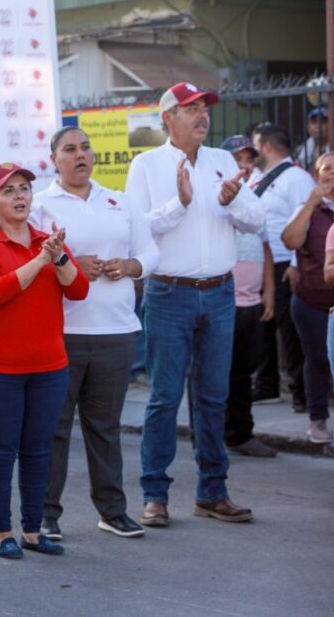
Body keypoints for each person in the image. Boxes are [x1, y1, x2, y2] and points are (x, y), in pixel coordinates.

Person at [125, 82, 264, 527]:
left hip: (220, 293)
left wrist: (234, 199)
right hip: (169, 293)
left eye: (204, 108)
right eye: (191, 109)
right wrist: (180, 203)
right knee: (165, 398)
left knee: (213, 398)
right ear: (169, 117)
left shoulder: (224, 161)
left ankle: (212, 492)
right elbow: (137, 231)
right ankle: (155, 495)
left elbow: (257, 221)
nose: (202, 115)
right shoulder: (146, 165)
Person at [30, 127, 159, 541]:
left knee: (104, 427)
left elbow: (150, 252)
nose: (80, 155)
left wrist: (131, 266)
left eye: (86, 148)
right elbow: (28, 261)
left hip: (116, 332)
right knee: (54, 427)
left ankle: (113, 511)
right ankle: (45, 514)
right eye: (70, 150)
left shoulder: (120, 201)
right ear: (54, 160)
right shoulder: (40, 206)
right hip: (61, 333)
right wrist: (65, 265)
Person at [0, 162, 89, 559]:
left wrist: (59, 258)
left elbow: (80, 291)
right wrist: (40, 261)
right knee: (2, 451)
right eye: (8, 191)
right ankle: (3, 531)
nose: (20, 196)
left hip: (49, 367)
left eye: (24, 189)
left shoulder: (47, 241)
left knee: (38, 450)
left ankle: (33, 530)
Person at [219, 136, 278, 457]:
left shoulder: (254, 199)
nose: (245, 166)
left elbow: (265, 248)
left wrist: (268, 293)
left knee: (243, 372)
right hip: (222, 302)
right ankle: (210, 438)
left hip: (251, 304)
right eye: (237, 160)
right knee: (214, 375)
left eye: (249, 160)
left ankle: (240, 434)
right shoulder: (214, 197)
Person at [248, 124, 313, 412]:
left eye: (254, 145)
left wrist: (297, 264)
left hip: (286, 263)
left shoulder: (296, 178)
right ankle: (266, 385)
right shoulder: (256, 176)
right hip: (262, 263)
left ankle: (303, 392)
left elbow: (307, 222)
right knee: (263, 326)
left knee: (291, 330)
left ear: (266, 147)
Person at [281, 152, 334, 445]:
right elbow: (290, 240)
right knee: (317, 359)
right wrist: (312, 202)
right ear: (316, 175)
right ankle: (318, 420)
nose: (331, 174)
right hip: (312, 301)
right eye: (326, 169)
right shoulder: (308, 208)